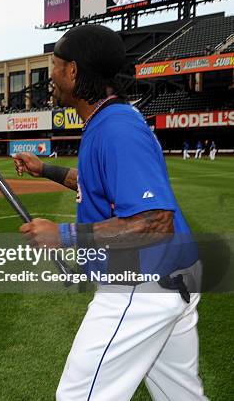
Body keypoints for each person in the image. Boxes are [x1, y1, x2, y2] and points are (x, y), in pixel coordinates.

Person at [13, 25, 206, 401]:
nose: (49, 75)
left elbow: (155, 223)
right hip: (171, 281)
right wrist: (45, 170)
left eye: (54, 65)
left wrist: (63, 235)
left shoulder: (116, 128)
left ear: (72, 71)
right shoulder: (110, 119)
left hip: (141, 285)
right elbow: (95, 185)